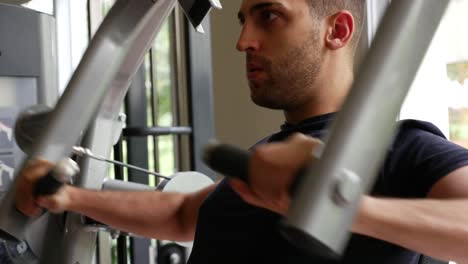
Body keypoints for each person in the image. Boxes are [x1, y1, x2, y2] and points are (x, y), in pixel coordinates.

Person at [15, 0, 468, 263]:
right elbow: (182, 214)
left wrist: (333, 201)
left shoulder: (403, 148)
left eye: (268, 16)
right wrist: (70, 198)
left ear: (337, 30)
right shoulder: (268, 154)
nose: (243, 41)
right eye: (243, 20)